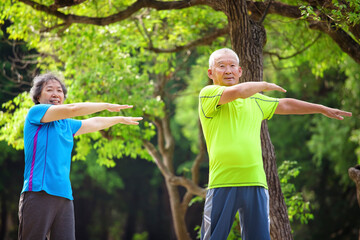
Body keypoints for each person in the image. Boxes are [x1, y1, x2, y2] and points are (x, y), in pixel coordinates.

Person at [198, 48, 352, 240]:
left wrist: (321, 109)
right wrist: (264, 84)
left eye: (232, 66)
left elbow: (285, 104)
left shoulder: (255, 100)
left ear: (240, 71)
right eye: (221, 66)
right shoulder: (208, 94)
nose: (228, 70)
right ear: (211, 73)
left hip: (255, 182)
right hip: (222, 182)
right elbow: (238, 91)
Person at [19, 73, 142, 240]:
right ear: (38, 97)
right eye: (49, 90)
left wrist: (118, 119)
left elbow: (95, 123)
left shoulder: (66, 125)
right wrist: (105, 105)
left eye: (59, 90)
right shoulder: (36, 113)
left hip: (64, 196)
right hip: (39, 192)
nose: (56, 94)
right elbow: (73, 109)